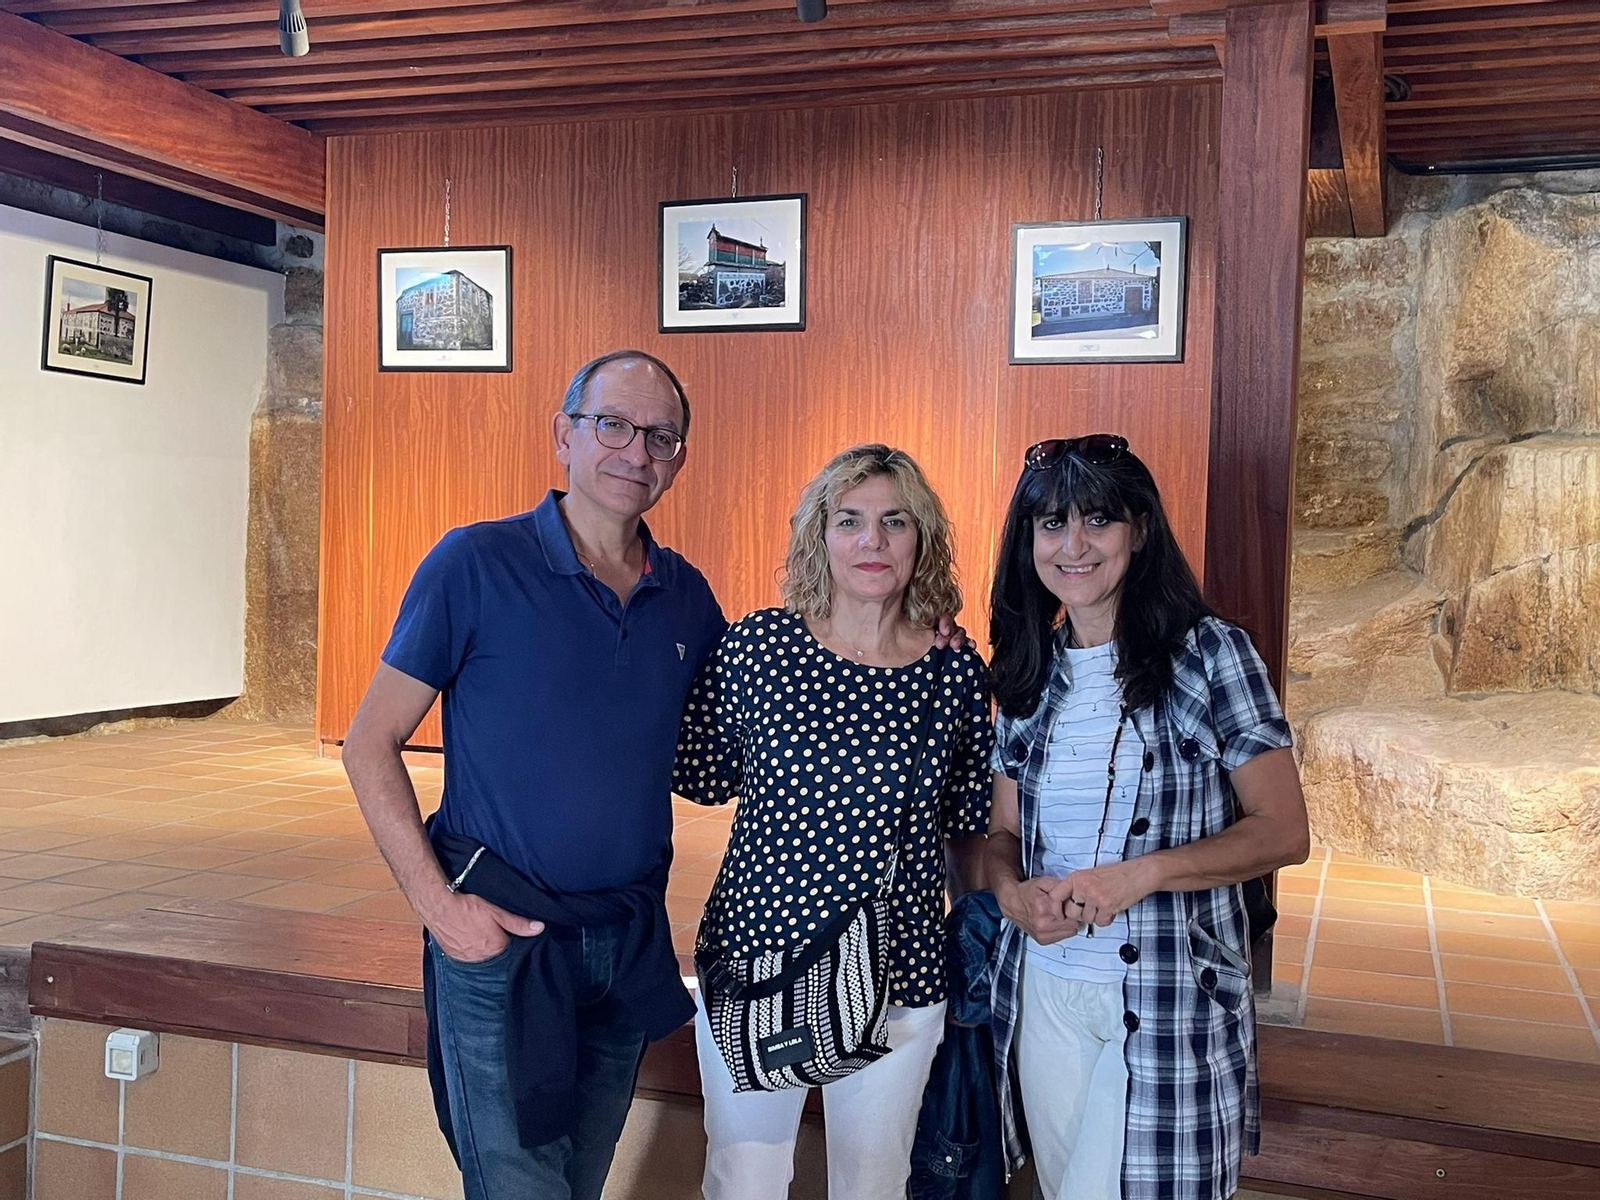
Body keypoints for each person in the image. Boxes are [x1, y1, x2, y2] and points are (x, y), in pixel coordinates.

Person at [341, 350, 726, 1200]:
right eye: (613, 426)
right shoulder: (474, 563)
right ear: (564, 434)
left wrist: (910, 640)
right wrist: (440, 911)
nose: (635, 452)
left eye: (659, 436)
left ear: (679, 461)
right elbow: (369, 743)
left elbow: (740, 737)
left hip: (623, 939)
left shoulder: (687, 598)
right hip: (500, 940)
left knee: (575, 1185)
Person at [978, 435, 1310, 1200]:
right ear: (1028, 543)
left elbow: (1284, 830)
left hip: (1168, 992)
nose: (1075, 545)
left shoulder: (1211, 656)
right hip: (1047, 993)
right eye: (1052, 525)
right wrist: (1010, 894)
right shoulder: (1030, 677)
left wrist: (1145, 874)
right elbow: (1003, 837)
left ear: (1139, 529)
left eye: (1098, 520)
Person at [673, 444, 995, 1200]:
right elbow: (705, 773)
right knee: (742, 1179)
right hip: (759, 958)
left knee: (872, 1183)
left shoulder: (953, 669)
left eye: (894, 522)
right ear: (819, 534)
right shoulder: (758, 646)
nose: (871, 542)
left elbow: (970, 826)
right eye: (849, 521)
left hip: (899, 970)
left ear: (923, 539)